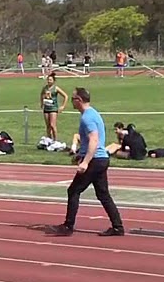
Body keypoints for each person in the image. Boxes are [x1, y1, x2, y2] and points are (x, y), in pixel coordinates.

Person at [46, 88, 124, 237]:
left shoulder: (87, 117)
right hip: (101, 159)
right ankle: (117, 226)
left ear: (79, 100)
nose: (71, 102)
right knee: (103, 194)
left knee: (73, 190)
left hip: (95, 160)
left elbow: (94, 140)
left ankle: (68, 226)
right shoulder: (93, 113)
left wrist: (86, 162)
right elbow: (91, 141)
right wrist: (80, 154)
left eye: (73, 99)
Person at [39, 72, 70, 141]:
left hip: (53, 108)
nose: (49, 81)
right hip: (46, 108)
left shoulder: (56, 88)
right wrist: (42, 103)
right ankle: (49, 140)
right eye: (48, 80)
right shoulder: (45, 88)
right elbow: (41, 95)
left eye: (50, 80)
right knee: (48, 126)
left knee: (53, 125)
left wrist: (63, 106)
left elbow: (66, 96)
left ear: (53, 81)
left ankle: (55, 140)